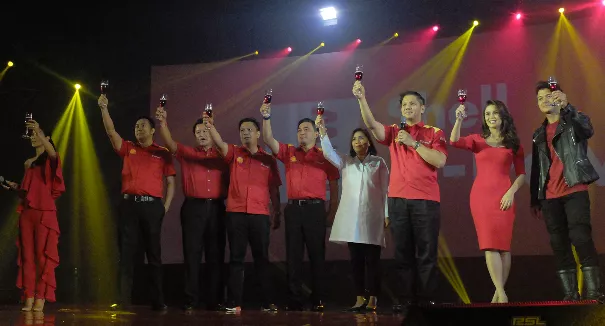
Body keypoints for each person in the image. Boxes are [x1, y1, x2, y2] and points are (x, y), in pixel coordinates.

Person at [354, 82, 447, 312]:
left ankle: (427, 301)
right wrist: (361, 98)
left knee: (426, 253)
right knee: (402, 253)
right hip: (398, 200)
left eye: (412, 104)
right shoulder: (395, 131)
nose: (407, 107)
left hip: (425, 200)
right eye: (404, 105)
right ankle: (406, 300)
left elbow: (440, 161)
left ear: (422, 107)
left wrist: (414, 143)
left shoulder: (433, 133)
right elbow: (372, 126)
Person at [98, 95, 176, 311]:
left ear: (152, 130)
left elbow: (171, 182)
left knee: (154, 254)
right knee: (126, 253)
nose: (138, 128)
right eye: (136, 126)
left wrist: (165, 206)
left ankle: (157, 301)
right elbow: (111, 132)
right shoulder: (128, 148)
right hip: (129, 206)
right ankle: (122, 300)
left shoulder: (163, 153)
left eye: (143, 126)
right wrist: (104, 108)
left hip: (152, 207)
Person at [260, 103, 339, 311]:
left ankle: (318, 298)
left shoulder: (325, 156)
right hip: (294, 210)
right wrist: (266, 117)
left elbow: (334, 186)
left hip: (315, 210)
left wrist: (331, 212)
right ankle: (294, 298)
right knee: (293, 256)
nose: (302, 132)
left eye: (306, 129)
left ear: (316, 133)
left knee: (317, 256)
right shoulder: (288, 152)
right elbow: (268, 139)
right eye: (299, 130)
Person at [530, 82, 603, 301]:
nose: (544, 101)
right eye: (540, 98)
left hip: (574, 189)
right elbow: (538, 168)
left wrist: (568, 107)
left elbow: (588, 130)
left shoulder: (572, 121)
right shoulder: (538, 134)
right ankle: (570, 296)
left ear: (558, 98)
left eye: (548, 96)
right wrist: (536, 197)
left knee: (580, 237)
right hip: (550, 197)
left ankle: (593, 294)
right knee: (559, 245)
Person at [450, 100, 525, 303]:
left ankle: (497, 294)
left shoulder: (513, 143)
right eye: (488, 113)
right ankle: (501, 292)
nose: (491, 117)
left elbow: (521, 175)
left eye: (495, 113)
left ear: (503, 117)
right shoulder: (477, 140)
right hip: (481, 197)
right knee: (489, 245)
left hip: (504, 197)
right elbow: (454, 141)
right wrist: (458, 119)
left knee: (504, 246)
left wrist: (511, 193)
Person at [205, 117, 282, 313]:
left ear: (258, 133)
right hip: (236, 214)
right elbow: (219, 143)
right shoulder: (233, 153)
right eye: (242, 130)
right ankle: (233, 302)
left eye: (249, 129)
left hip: (260, 215)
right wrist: (210, 126)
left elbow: (274, 188)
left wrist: (277, 211)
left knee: (261, 258)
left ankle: (268, 302)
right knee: (236, 259)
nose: (245, 132)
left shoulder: (268, 159)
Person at [155, 107, 229, 311]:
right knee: (192, 255)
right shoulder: (187, 153)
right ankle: (191, 300)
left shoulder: (223, 154)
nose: (202, 135)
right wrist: (163, 123)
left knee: (215, 255)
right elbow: (170, 144)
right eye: (198, 132)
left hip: (216, 209)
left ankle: (214, 300)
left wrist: (211, 124)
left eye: (205, 131)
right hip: (193, 208)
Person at [316, 116, 389, 312]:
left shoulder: (378, 162)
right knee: (356, 260)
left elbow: (385, 190)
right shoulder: (347, 162)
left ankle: (373, 298)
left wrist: (386, 214)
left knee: (373, 261)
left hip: (373, 217)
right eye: (355, 139)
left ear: (368, 142)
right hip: (352, 219)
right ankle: (359, 297)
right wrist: (322, 132)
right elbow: (329, 153)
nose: (358, 141)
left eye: (362, 138)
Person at [1, 121, 64, 312]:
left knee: (43, 257)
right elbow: (27, 192)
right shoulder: (28, 163)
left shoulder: (51, 159)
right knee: (27, 256)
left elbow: (52, 152)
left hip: (45, 214)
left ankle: (41, 297)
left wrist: (38, 129)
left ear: (47, 139)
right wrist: (14, 187)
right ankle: (28, 296)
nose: (34, 136)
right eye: (33, 134)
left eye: (38, 134)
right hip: (27, 213)